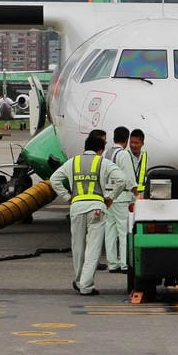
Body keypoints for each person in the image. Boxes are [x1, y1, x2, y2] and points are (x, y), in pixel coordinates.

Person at [50, 133, 130, 295]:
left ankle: (79, 280)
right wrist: (110, 197)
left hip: (77, 207)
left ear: (85, 148)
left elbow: (54, 179)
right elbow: (122, 179)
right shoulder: (103, 162)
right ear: (100, 150)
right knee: (93, 248)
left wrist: (67, 197)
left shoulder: (73, 162)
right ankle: (86, 285)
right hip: (96, 208)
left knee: (78, 246)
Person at [103, 126, 137, 273]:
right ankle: (124, 263)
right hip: (121, 197)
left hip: (107, 196)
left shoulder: (106, 153)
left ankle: (112, 263)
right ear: (127, 139)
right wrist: (136, 193)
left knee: (110, 230)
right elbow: (128, 177)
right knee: (123, 231)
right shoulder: (123, 154)